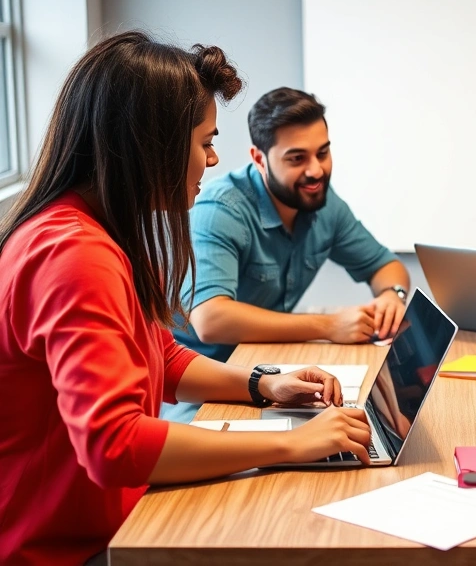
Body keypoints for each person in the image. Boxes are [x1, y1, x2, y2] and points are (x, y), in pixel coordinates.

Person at [0, 32, 373, 566]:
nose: (213, 159)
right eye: (204, 142)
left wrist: (264, 385)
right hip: (67, 550)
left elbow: (162, 354)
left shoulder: (94, 231)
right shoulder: (74, 255)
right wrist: (292, 445)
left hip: (117, 524)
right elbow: (115, 446)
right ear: (148, 145)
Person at [166, 87, 410, 422]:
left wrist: (391, 297)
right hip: (198, 388)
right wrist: (329, 326)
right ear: (258, 158)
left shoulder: (322, 202)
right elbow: (210, 320)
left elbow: (386, 266)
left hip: (269, 373)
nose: (316, 171)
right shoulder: (220, 208)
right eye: (297, 158)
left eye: (322, 153)